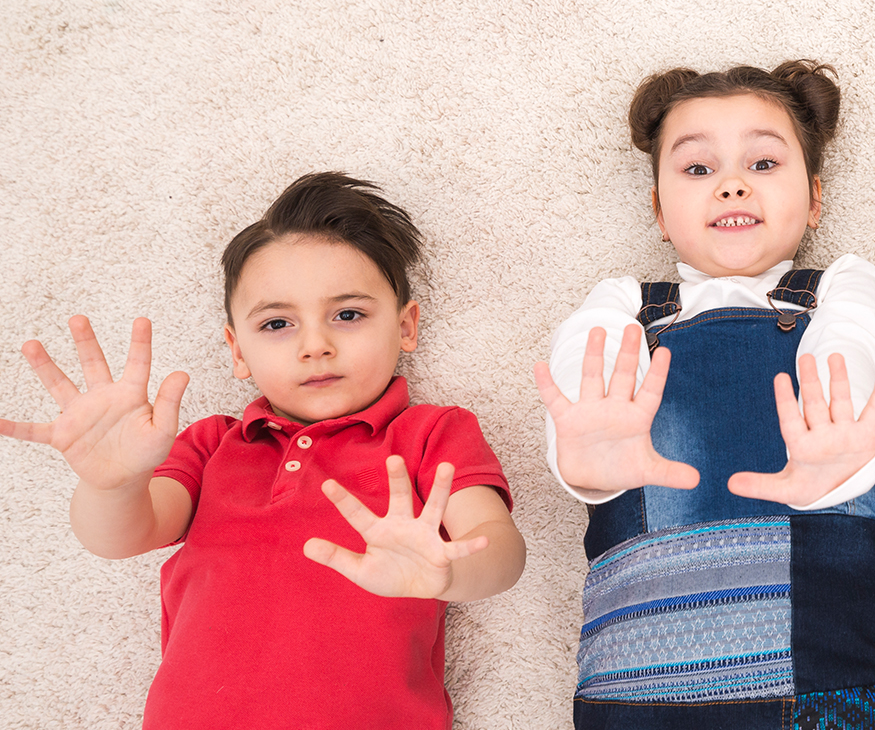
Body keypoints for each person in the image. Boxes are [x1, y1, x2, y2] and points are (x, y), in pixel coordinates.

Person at [0, 172, 526, 729]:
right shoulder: (212, 444)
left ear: (406, 327)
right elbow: (122, 537)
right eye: (277, 323)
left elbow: (501, 552)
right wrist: (113, 483)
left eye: (348, 315)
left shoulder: (430, 432)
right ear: (237, 351)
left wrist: (446, 572)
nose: (315, 345)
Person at [535, 61, 875, 729]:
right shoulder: (622, 302)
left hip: (835, 652)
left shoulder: (839, 285)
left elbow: (861, 334)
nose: (731, 185)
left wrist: (835, 412)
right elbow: (584, 356)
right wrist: (584, 449)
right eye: (698, 169)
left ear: (815, 199)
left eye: (763, 163)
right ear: (659, 213)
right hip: (642, 678)